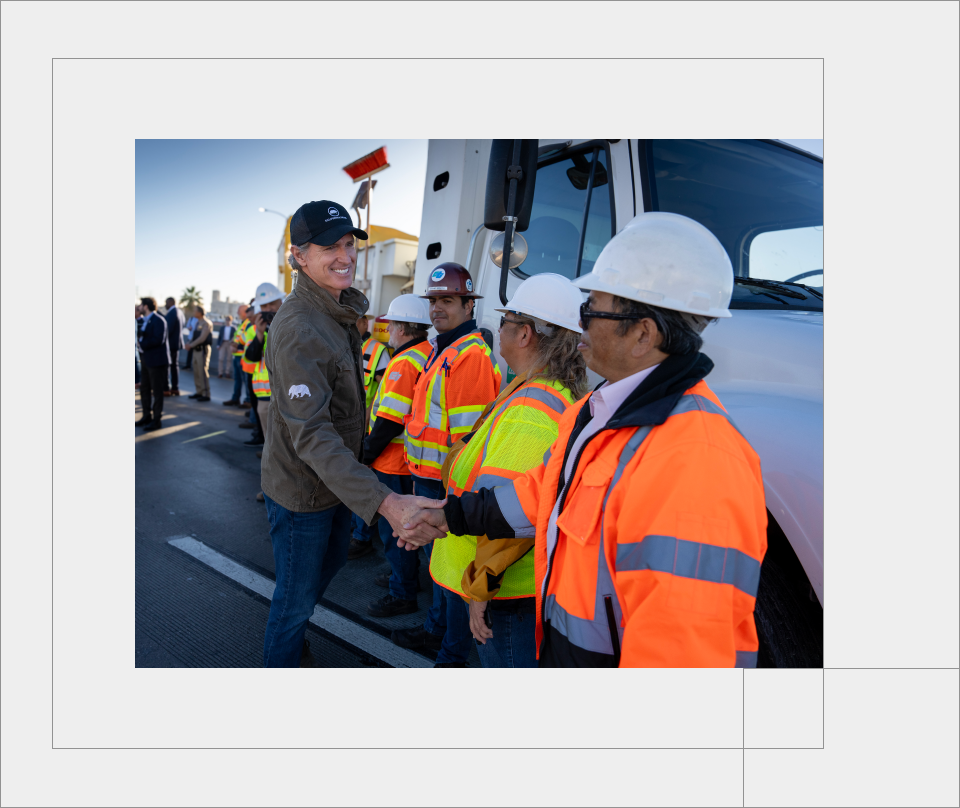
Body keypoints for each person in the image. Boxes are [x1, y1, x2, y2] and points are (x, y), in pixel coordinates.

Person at [399, 212, 769, 668]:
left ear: (642, 334)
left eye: (592, 307)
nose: (581, 323)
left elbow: (686, 650)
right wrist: (450, 517)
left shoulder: (697, 459)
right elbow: (540, 494)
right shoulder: (598, 413)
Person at [259, 199, 438, 668]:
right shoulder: (300, 326)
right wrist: (387, 501)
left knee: (321, 574)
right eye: (327, 248)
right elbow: (313, 434)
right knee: (294, 604)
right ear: (298, 256)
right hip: (303, 495)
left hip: (336, 485)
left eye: (347, 244)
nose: (344, 256)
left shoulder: (335, 312)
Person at [429, 274, 588, 668]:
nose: (496, 331)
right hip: (507, 584)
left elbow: (507, 514)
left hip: (505, 593)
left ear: (525, 335)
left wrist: (480, 588)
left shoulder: (531, 410)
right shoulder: (532, 388)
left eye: (504, 322)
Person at [391, 262, 502, 667]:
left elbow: (466, 439)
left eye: (448, 301)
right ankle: (437, 631)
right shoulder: (445, 350)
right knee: (439, 566)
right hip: (428, 478)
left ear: (468, 305)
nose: (438, 309)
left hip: (446, 483)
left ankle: (451, 652)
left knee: (454, 570)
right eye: (434, 301)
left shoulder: (468, 356)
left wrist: (453, 493)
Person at [360, 295, 432, 616]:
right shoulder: (428, 353)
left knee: (395, 530)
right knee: (409, 527)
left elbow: (389, 418)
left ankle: (402, 591)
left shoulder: (403, 362)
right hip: (413, 459)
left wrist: (365, 453)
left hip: (392, 459)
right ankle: (406, 578)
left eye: (391, 325)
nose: (387, 331)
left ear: (402, 328)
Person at [347, 314, 392, 560]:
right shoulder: (343, 343)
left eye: (355, 320)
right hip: (346, 427)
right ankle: (356, 530)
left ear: (365, 322)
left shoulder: (378, 351)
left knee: (363, 483)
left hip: (364, 429)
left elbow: (384, 392)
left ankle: (361, 536)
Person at [243, 283, 286, 497]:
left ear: (281, 301)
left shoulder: (291, 321)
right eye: (265, 305)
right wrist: (260, 334)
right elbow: (250, 358)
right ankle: (271, 489)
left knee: (287, 447)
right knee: (270, 447)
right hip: (264, 396)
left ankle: (284, 491)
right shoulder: (255, 327)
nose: (269, 309)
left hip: (287, 394)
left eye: (273, 303)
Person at [136, 297, 171, 431]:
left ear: (146, 306)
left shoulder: (159, 320)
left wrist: (141, 344)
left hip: (157, 361)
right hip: (146, 359)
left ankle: (157, 420)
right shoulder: (145, 321)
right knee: (144, 389)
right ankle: (146, 416)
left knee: (157, 392)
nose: (139, 307)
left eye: (141, 305)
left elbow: (158, 339)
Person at [183, 305, 213, 401]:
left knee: (202, 372)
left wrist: (190, 345)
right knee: (196, 371)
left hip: (202, 350)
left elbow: (202, 338)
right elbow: (194, 336)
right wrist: (189, 343)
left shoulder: (206, 323)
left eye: (195, 311)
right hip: (196, 350)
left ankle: (206, 394)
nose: (193, 313)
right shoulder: (197, 323)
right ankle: (199, 391)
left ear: (200, 313)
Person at [223, 305, 250, 406]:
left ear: (245, 312)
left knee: (246, 380)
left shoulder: (248, 323)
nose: (238, 312)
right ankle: (235, 398)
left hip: (243, 356)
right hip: (237, 355)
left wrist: (237, 346)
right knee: (238, 379)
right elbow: (237, 337)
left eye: (239, 310)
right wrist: (232, 343)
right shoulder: (242, 323)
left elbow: (249, 340)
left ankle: (248, 401)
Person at [163, 297, 186, 395]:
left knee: (167, 366)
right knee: (174, 366)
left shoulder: (172, 313)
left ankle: (166, 389)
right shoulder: (179, 312)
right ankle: (175, 388)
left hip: (171, 344)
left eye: (166, 303)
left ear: (170, 302)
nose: (165, 305)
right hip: (177, 343)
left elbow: (168, 329)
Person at [216, 314, 235, 378]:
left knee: (229, 359)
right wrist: (218, 345)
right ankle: (220, 372)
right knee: (220, 358)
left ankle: (227, 372)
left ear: (231, 320)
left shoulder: (233, 328)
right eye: (226, 319)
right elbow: (219, 337)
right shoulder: (222, 327)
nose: (227, 321)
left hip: (230, 344)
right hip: (223, 343)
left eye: (229, 320)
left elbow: (235, 337)